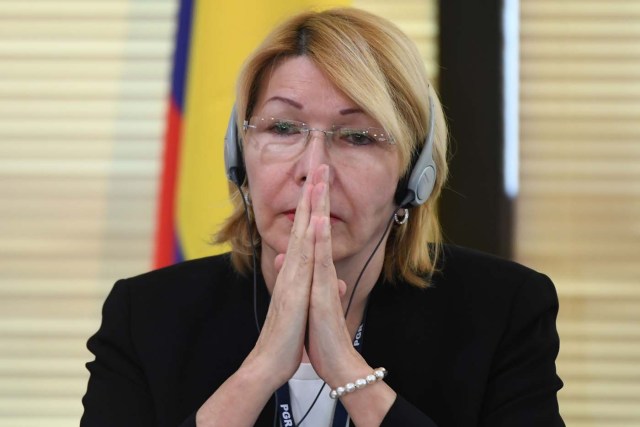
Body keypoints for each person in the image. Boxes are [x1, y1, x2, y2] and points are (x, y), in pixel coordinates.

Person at [81, 7, 564, 427]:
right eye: (283, 127)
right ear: (238, 156)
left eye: (357, 137)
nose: (315, 172)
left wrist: (348, 372)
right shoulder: (145, 316)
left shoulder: (503, 310)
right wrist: (261, 371)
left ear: (413, 173)